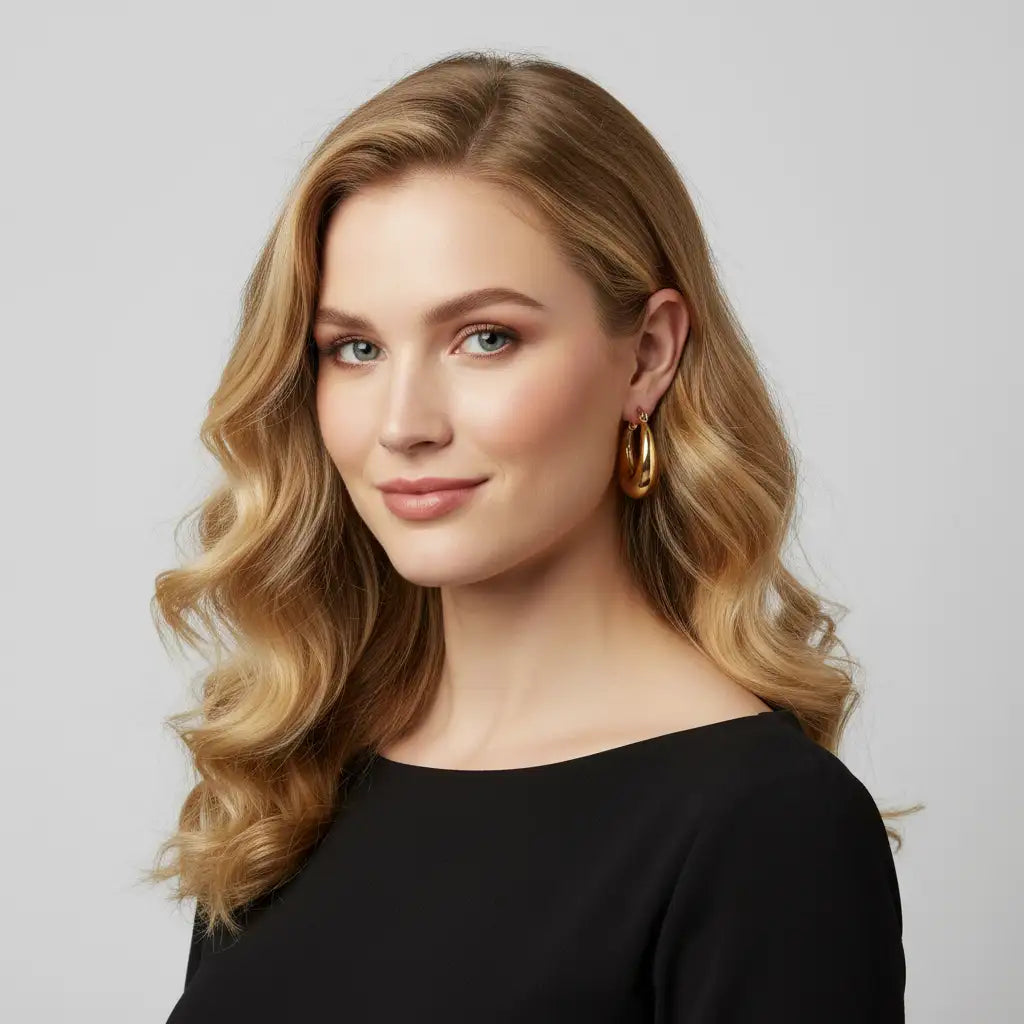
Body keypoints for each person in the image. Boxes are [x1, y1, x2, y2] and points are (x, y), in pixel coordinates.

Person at [150, 49, 917, 1022]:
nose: (403, 422)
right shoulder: (296, 775)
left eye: (484, 338)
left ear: (646, 356)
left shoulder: (764, 826)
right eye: (355, 348)